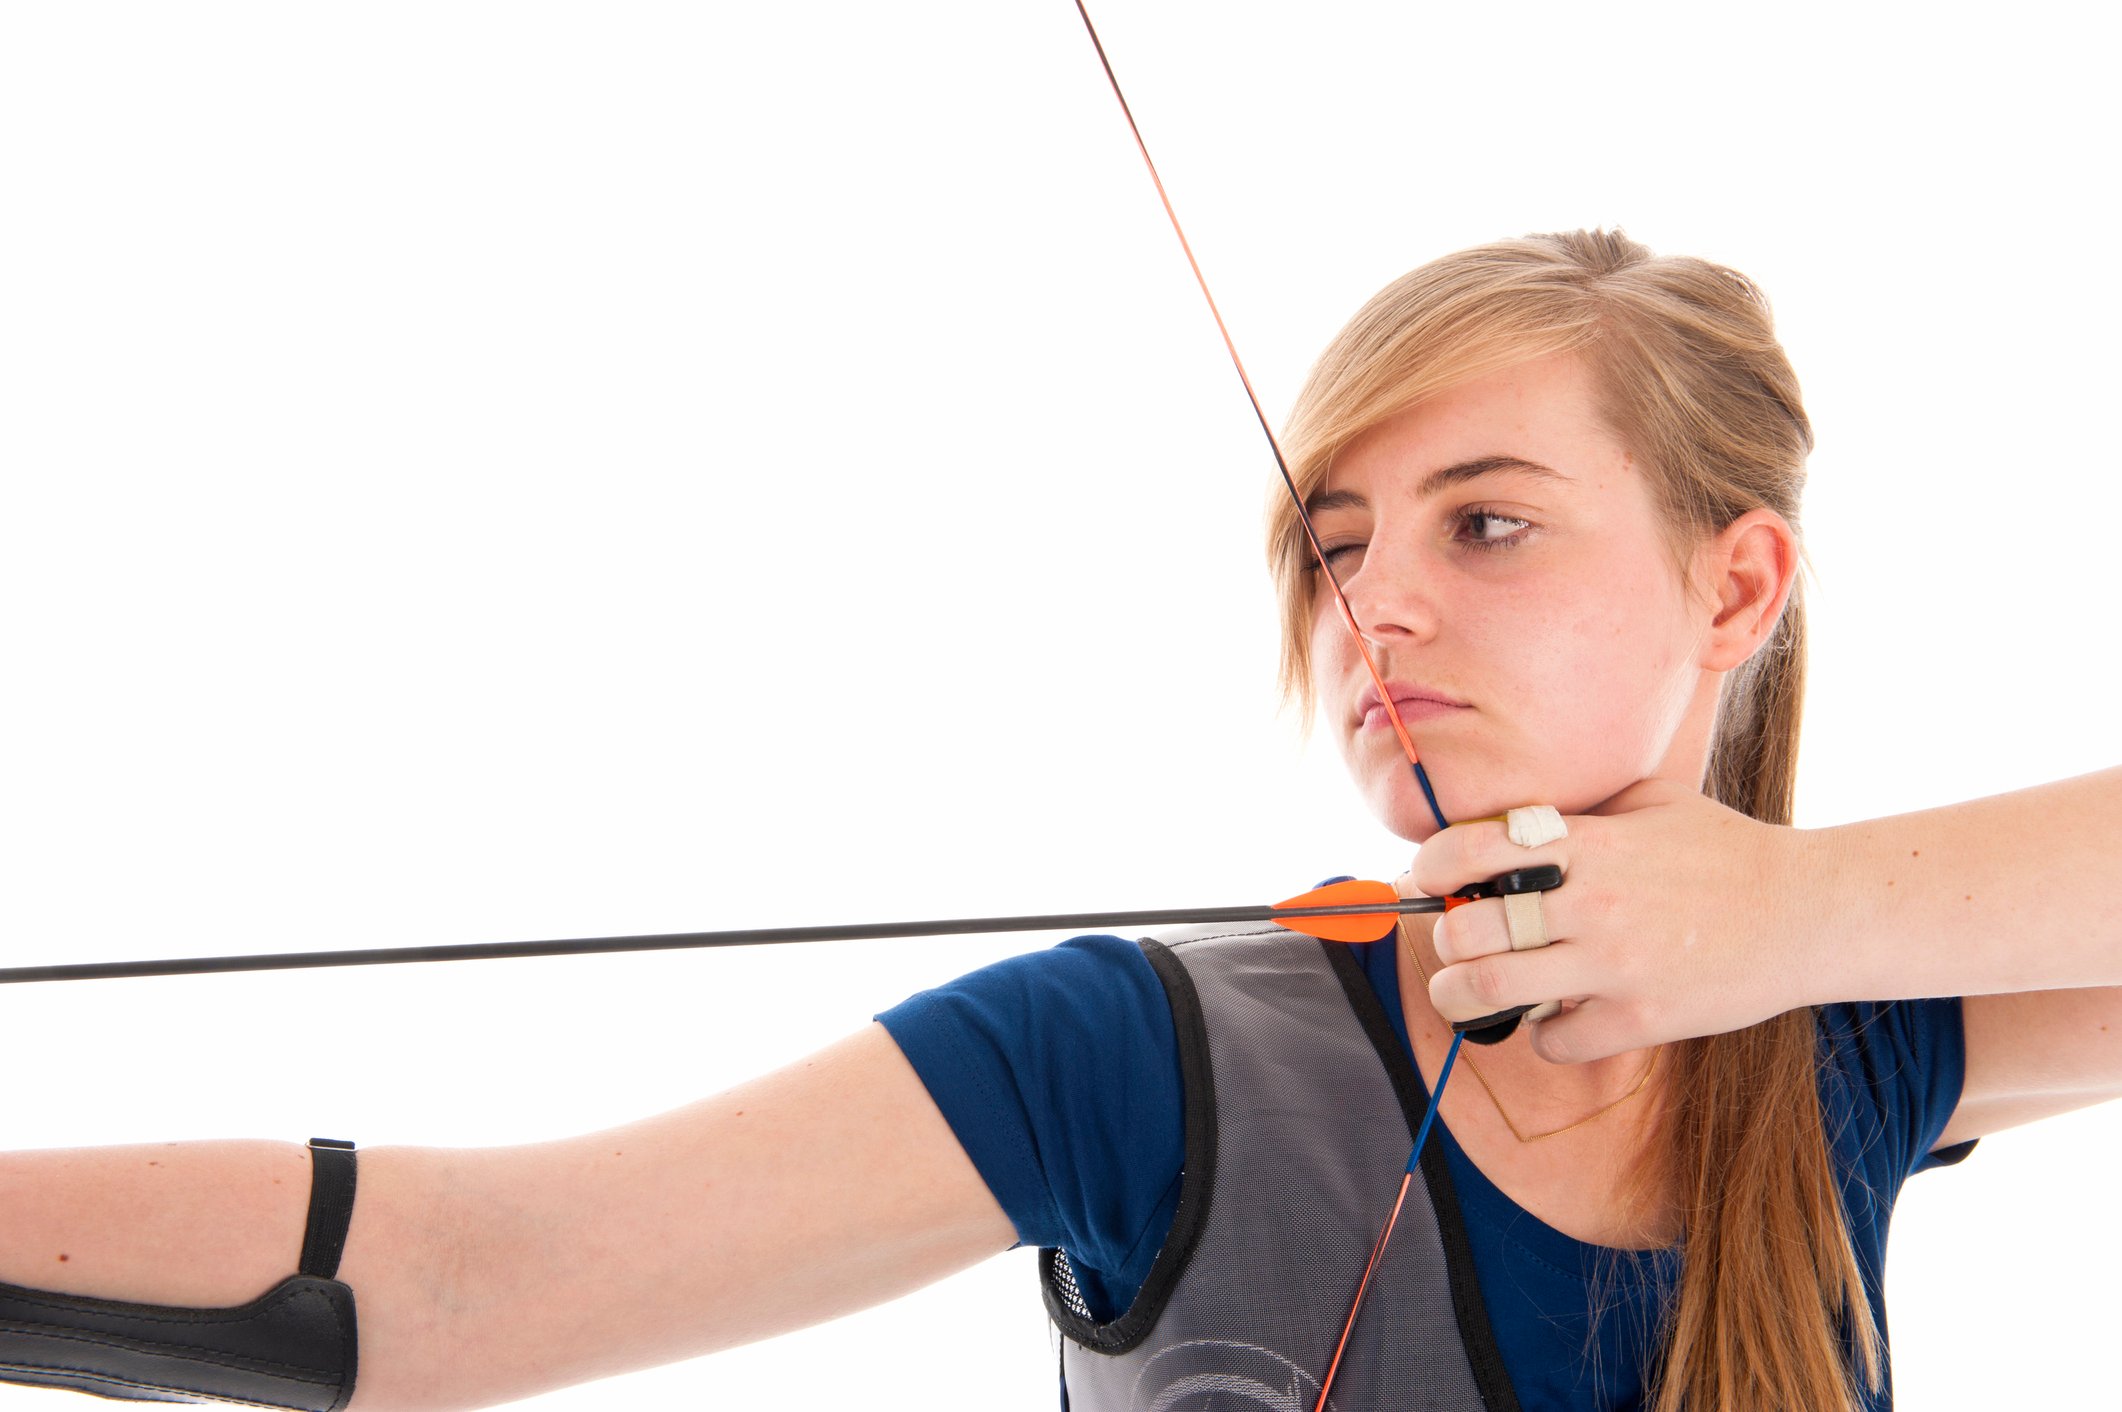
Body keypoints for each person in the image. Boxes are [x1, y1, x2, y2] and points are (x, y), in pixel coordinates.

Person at [2, 230, 2117, 1412]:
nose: (1374, 604)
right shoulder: (1153, 1058)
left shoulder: (1846, 1036)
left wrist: (1794, 916)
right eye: (1333, 540)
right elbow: (473, 1272)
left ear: (1732, 585)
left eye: (1483, 525)